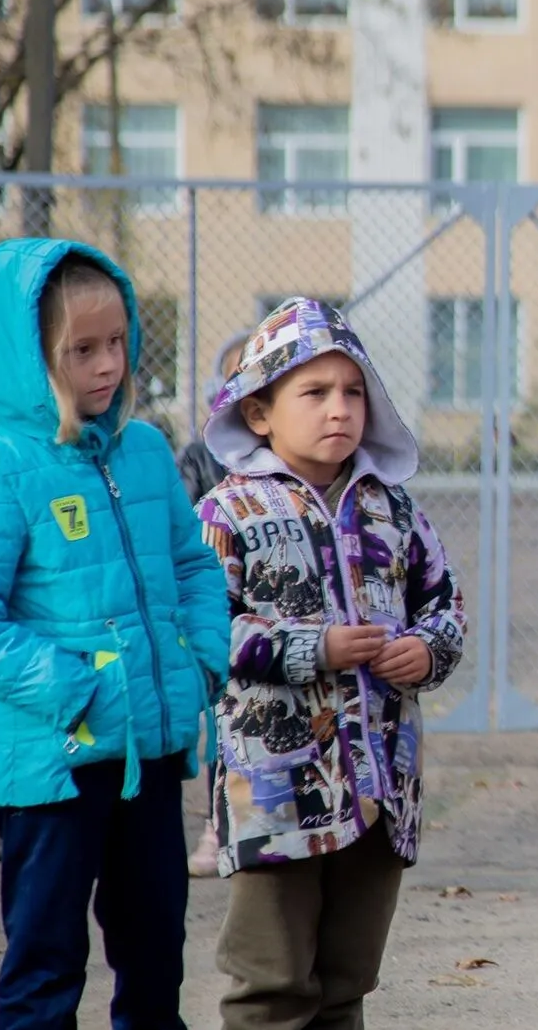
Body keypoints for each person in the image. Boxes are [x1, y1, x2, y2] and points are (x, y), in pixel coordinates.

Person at [195, 296, 466, 1030]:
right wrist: (315, 648)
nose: (339, 410)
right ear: (259, 413)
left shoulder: (394, 511)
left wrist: (426, 649)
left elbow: (445, 606)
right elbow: (203, 628)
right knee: (273, 985)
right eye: (313, 393)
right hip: (276, 790)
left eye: (353, 392)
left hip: (381, 786)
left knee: (346, 981)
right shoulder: (227, 511)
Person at [0, 238, 230, 1029]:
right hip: (56, 763)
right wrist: (75, 688)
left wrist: (203, 661)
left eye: (117, 342)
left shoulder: (148, 449)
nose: (107, 365)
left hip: (150, 756)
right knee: (48, 959)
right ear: (28, 358)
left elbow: (195, 565)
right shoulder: (2, 464)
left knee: (156, 944)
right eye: (81, 349)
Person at [178, 329, 251, 878]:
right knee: (222, 722)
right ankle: (216, 825)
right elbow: (183, 526)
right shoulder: (200, 457)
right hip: (220, 608)